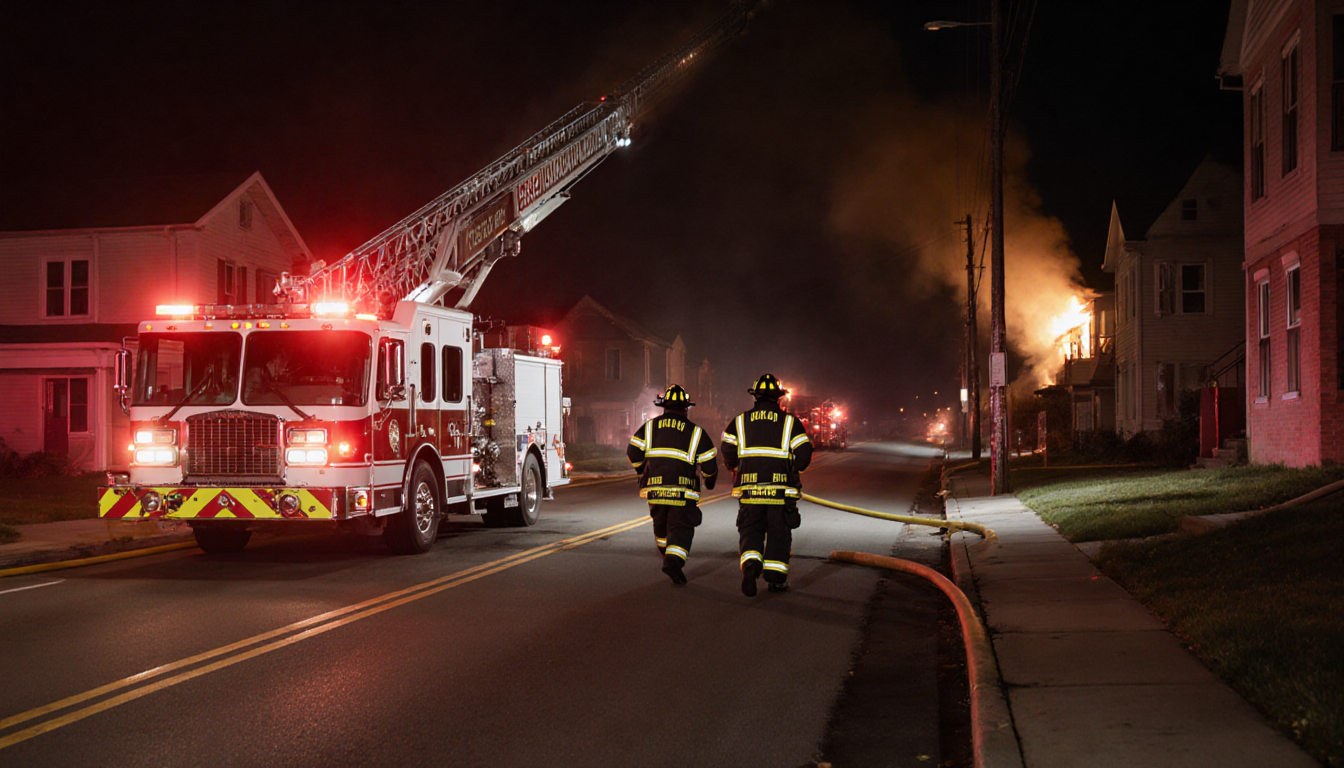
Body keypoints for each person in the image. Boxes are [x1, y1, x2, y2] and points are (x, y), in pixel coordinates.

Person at [721, 373, 813, 597]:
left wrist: (734, 466)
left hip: (750, 490)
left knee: (751, 529)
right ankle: (775, 579)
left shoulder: (739, 421)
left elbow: (727, 448)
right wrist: (793, 467)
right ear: (778, 397)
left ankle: (751, 566)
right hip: (781, 493)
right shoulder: (790, 422)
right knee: (779, 533)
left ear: (755, 396)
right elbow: (803, 455)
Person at [627, 384, 719, 586]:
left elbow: (633, 451)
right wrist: (709, 479)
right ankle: (674, 561)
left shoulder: (649, 427)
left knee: (660, 526)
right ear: (686, 408)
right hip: (683, 492)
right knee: (681, 527)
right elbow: (709, 463)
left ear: (664, 407)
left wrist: (642, 470)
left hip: (656, 490)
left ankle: (665, 552)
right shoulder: (696, 432)